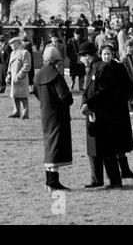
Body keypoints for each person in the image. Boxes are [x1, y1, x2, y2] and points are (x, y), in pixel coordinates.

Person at [79, 42, 123, 189]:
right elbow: (88, 91)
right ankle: (96, 178)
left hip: (103, 114)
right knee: (93, 147)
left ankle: (115, 180)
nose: (81, 60)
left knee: (107, 148)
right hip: (93, 113)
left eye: (82, 57)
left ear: (88, 56)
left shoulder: (102, 68)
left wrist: (89, 103)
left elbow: (104, 91)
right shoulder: (92, 69)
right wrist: (84, 104)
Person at [34, 47, 73, 192]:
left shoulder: (38, 75)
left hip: (46, 114)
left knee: (49, 145)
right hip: (58, 116)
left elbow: (36, 93)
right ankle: (53, 182)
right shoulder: (56, 76)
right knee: (56, 147)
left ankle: (50, 180)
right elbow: (65, 97)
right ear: (57, 60)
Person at [100, 45, 133, 179]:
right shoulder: (98, 69)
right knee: (110, 141)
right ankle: (113, 171)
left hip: (120, 108)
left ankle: (125, 169)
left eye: (108, 54)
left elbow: (129, 85)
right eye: (104, 54)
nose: (106, 56)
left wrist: (123, 98)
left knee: (121, 140)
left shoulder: (119, 67)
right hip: (106, 110)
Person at [6, 37, 31, 119]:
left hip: (21, 79)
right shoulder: (12, 53)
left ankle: (25, 113)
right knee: (15, 96)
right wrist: (8, 76)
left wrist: (18, 76)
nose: (11, 46)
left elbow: (27, 66)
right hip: (13, 78)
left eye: (12, 44)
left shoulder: (25, 52)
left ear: (17, 44)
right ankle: (16, 112)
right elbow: (9, 66)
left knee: (23, 97)